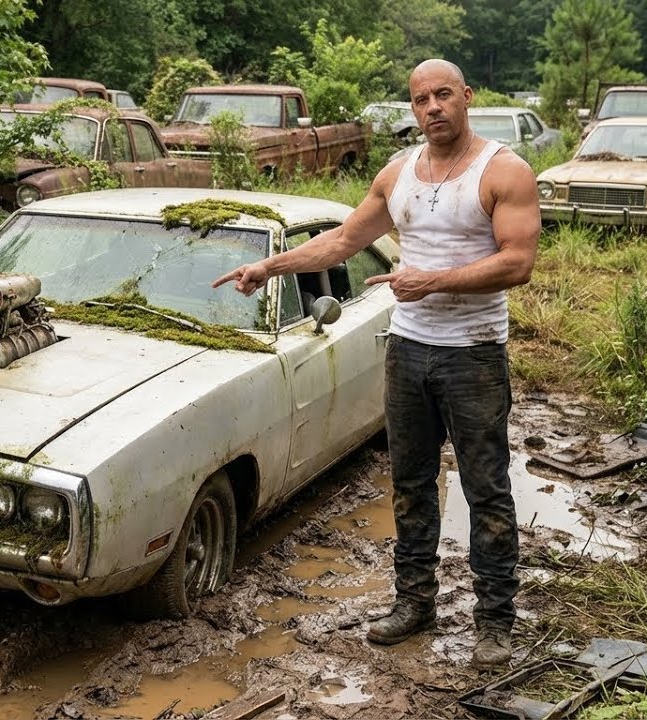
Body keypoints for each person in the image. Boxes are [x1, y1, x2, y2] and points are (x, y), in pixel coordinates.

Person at [212, 59, 539, 666]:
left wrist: (432, 280)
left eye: (444, 95)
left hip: (473, 355)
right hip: (407, 350)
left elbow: (518, 262)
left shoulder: (505, 171)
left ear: (467, 97)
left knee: (486, 490)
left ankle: (495, 620)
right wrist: (268, 267)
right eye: (420, 99)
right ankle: (414, 602)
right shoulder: (398, 174)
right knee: (410, 484)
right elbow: (341, 241)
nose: (433, 107)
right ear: (411, 108)